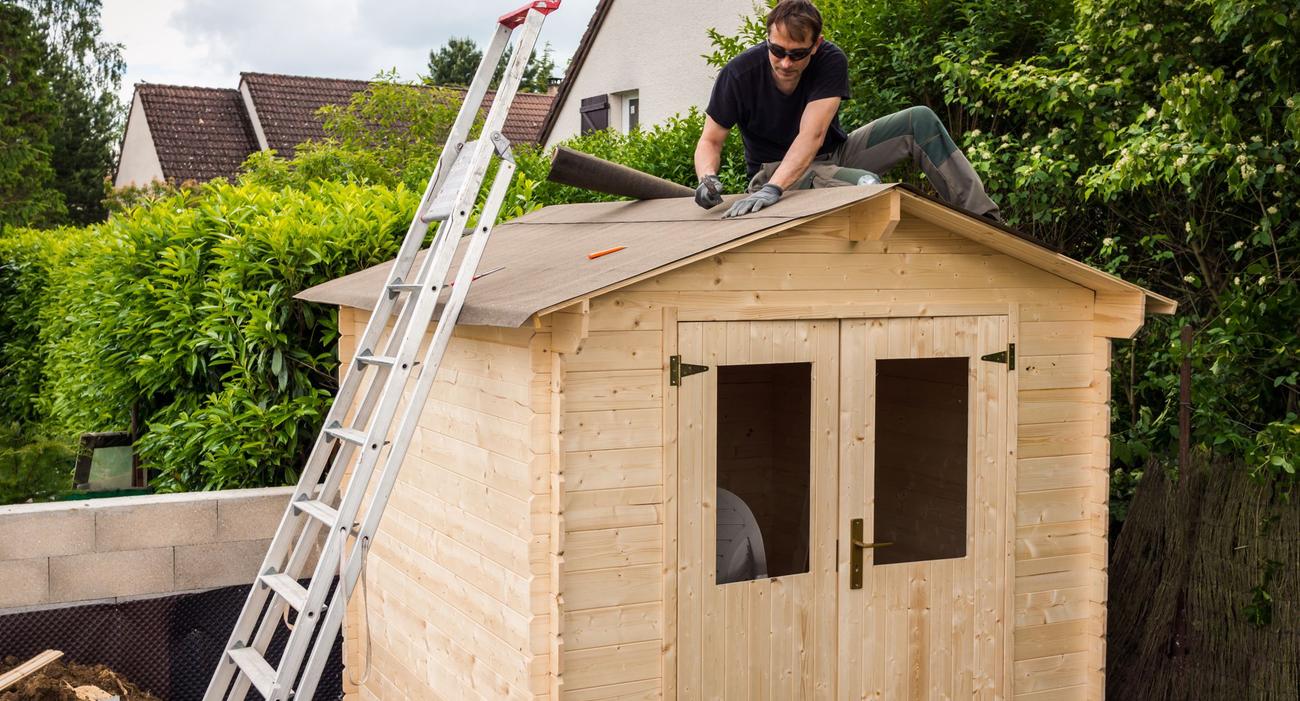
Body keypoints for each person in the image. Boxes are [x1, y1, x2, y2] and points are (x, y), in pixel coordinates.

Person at [693, 0, 1001, 221]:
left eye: (797, 54)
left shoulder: (830, 60)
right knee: (865, 184)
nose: (785, 63)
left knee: (918, 120)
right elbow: (711, 140)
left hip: (833, 155)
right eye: (777, 51)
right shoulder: (739, 74)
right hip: (771, 171)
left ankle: (987, 222)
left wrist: (777, 189)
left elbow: (811, 135)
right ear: (767, 40)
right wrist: (708, 179)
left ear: (816, 45)